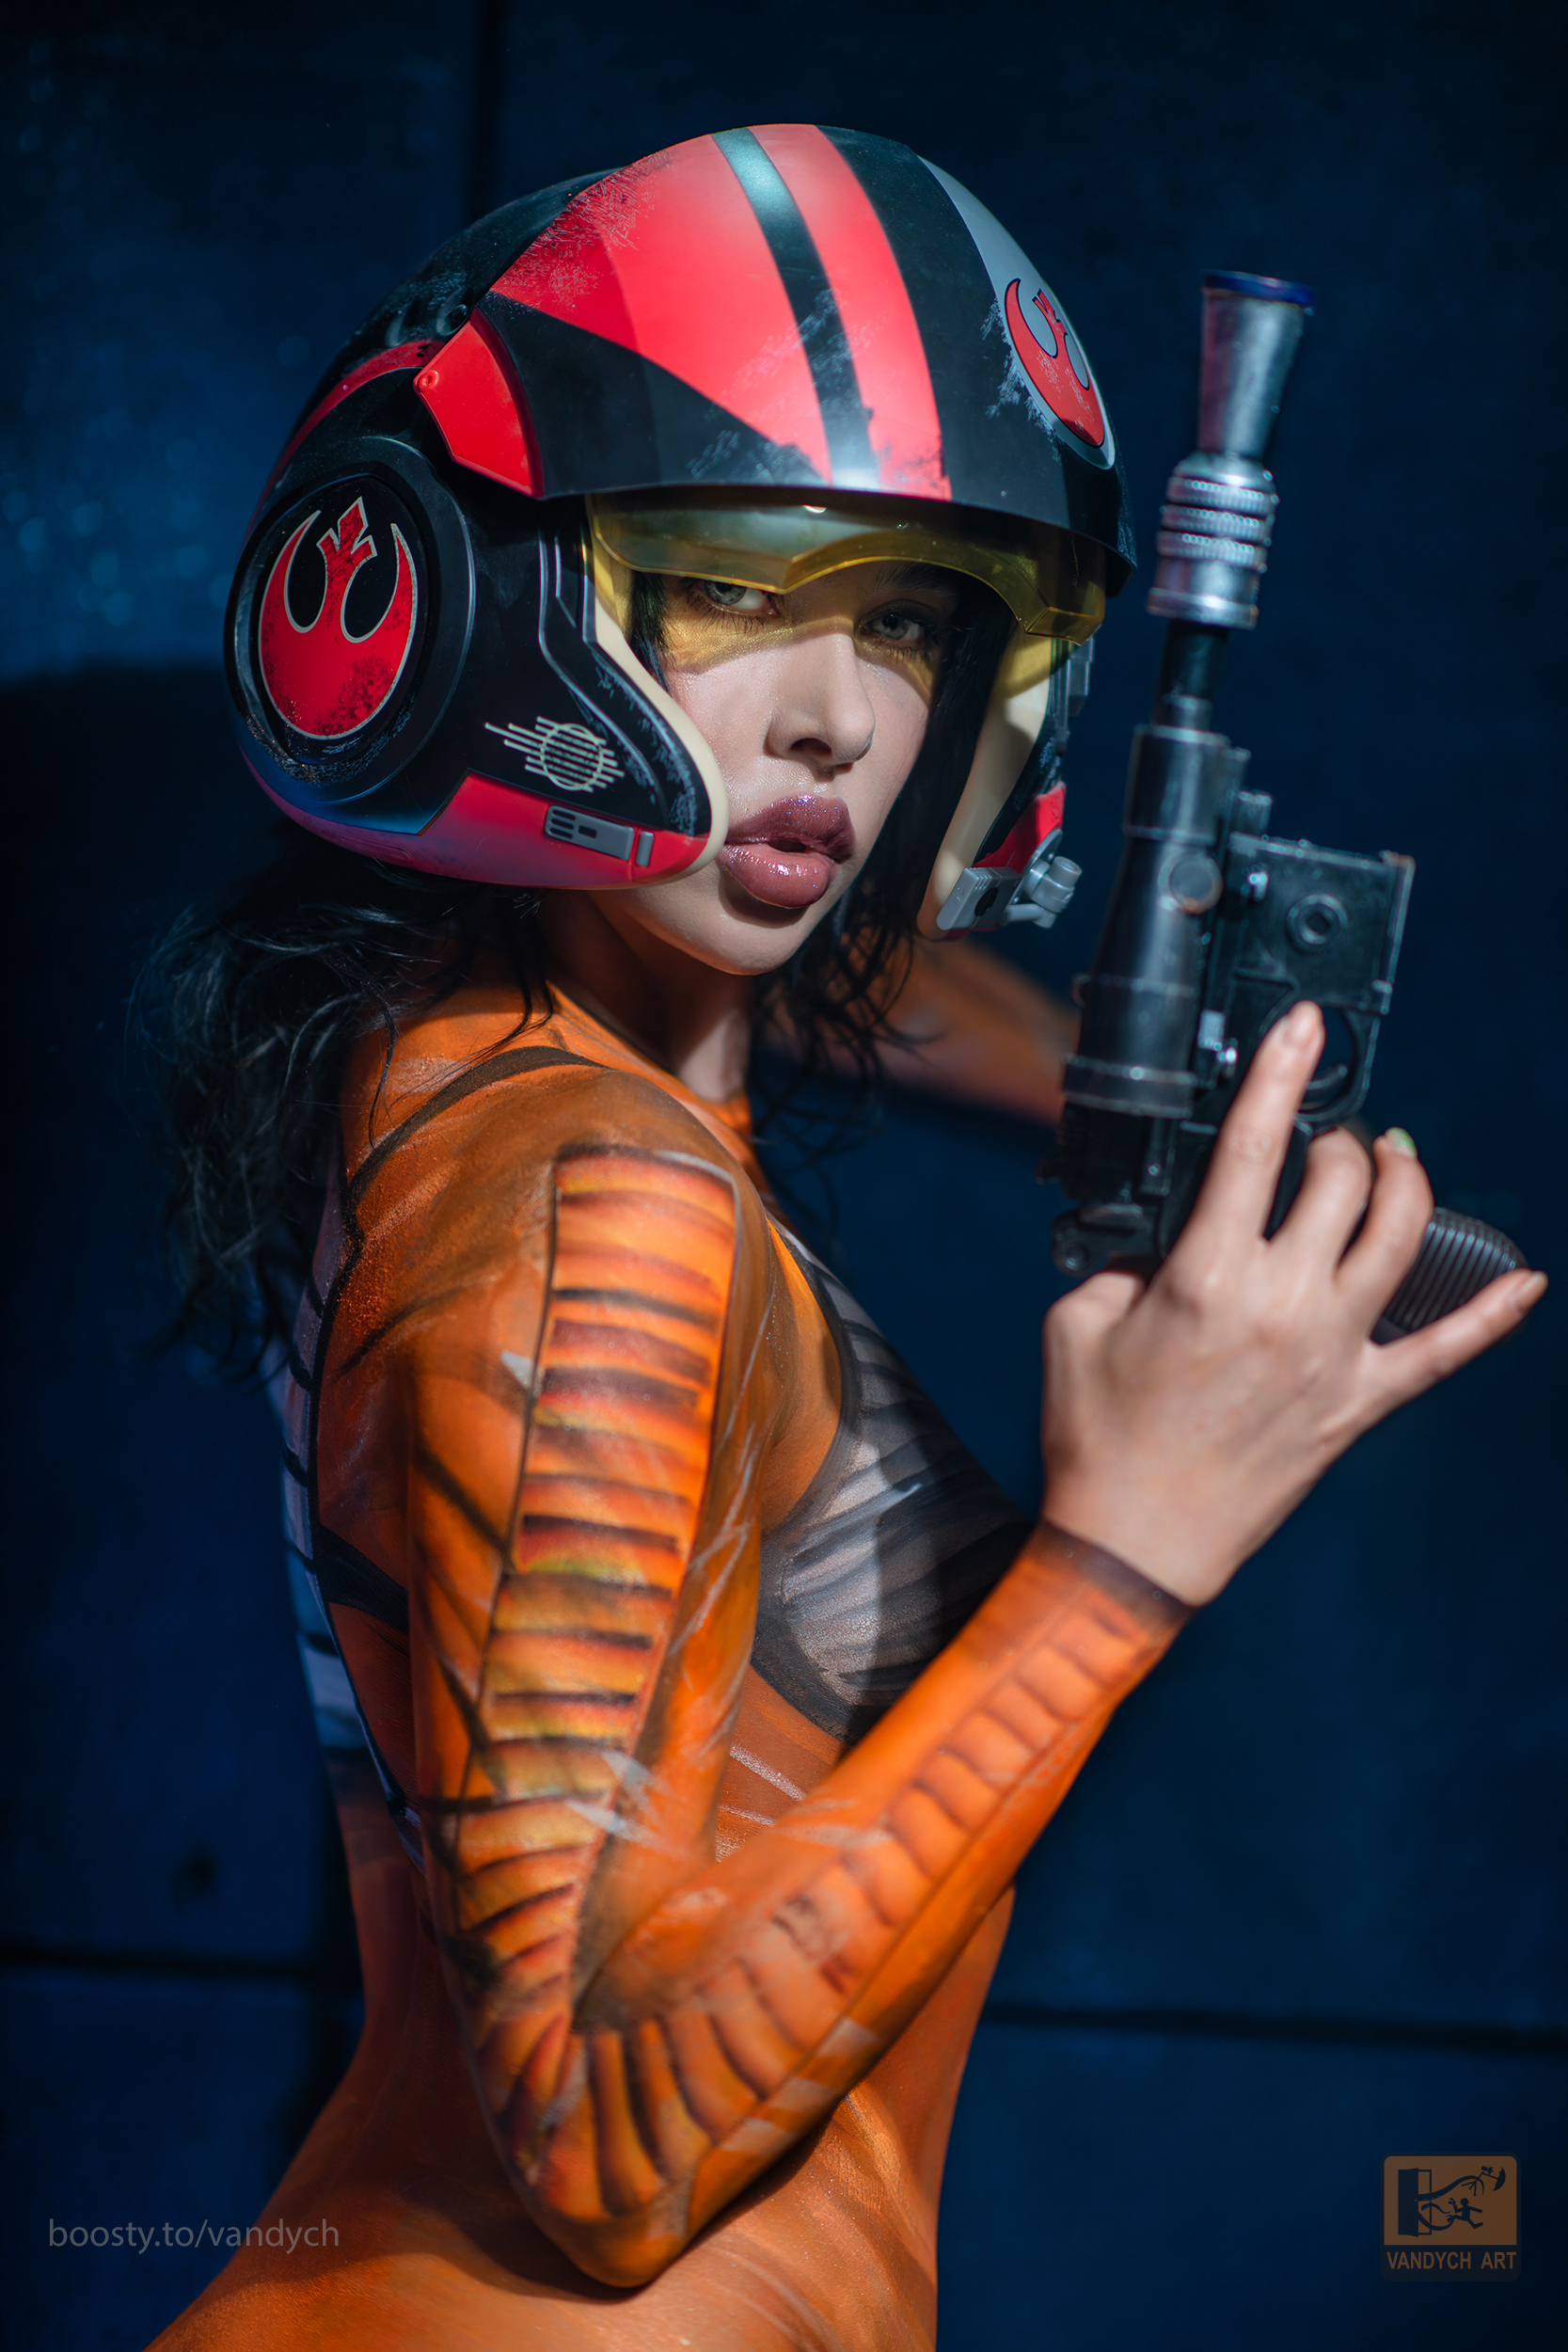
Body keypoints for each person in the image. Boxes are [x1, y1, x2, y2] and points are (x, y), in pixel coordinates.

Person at [146, 127, 1542, 2351]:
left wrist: (1104, 1084)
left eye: (906, 620)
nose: (838, 715)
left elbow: (776, 955)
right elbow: (601, 2139)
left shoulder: (471, 1079)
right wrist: (1131, 1542)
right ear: (485, 598)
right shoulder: (600, 1210)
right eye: (730, 588)